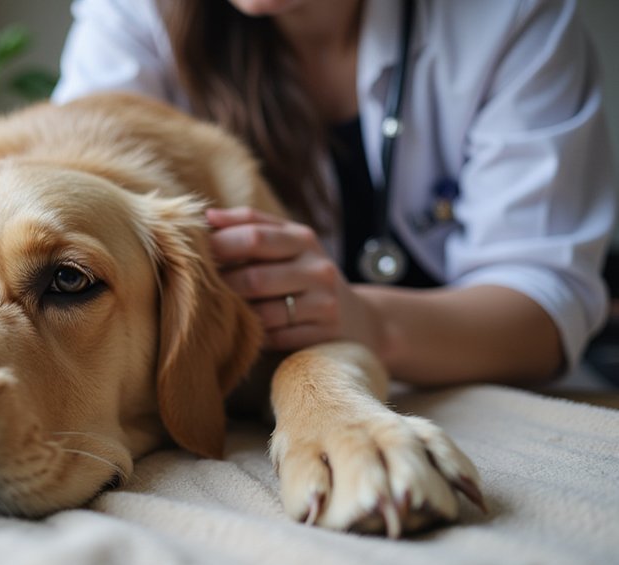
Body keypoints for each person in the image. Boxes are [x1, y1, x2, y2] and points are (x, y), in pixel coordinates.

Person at [51, 0, 616, 386]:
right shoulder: (132, 15)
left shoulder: (511, 19)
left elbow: (544, 307)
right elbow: (68, 201)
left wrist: (370, 322)